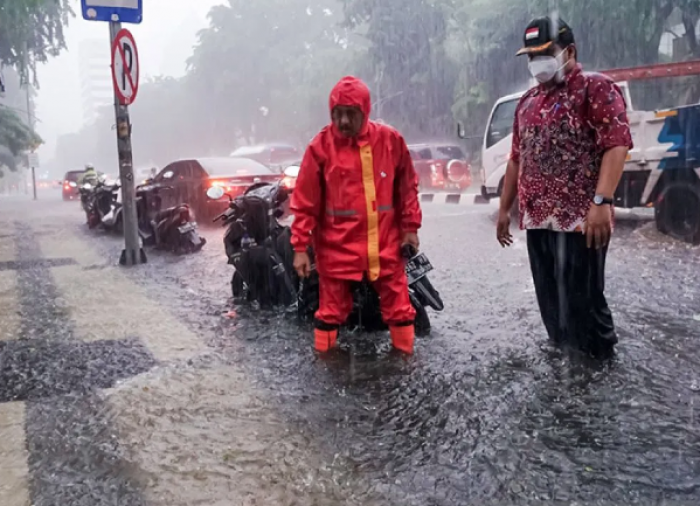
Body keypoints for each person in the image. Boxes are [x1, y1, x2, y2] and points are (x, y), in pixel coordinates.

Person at [496, 17, 633, 357]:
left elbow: (616, 144)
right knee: (550, 300)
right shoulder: (527, 102)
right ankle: (563, 363)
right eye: (530, 56)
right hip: (539, 221)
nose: (535, 62)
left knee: (585, 301)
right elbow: (516, 158)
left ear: (568, 51)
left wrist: (601, 201)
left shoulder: (595, 88)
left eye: (544, 53)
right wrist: (503, 209)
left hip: (582, 220)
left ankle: (600, 368)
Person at [290, 76, 422, 354]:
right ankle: (327, 366)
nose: (344, 122)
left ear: (365, 111)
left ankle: (405, 362)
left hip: (385, 246)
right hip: (336, 249)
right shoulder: (320, 148)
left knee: (400, 308)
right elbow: (305, 202)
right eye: (338, 115)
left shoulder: (389, 141)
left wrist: (410, 228)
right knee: (330, 312)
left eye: (351, 114)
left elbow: (407, 187)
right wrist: (300, 247)